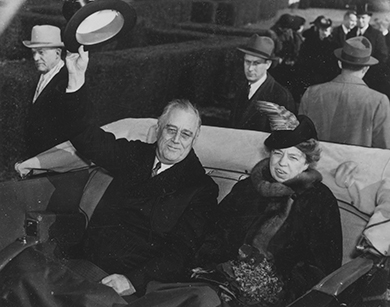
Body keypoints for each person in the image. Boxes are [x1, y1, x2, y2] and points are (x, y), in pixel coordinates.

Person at [2, 52, 219, 306]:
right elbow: (87, 138)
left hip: (129, 286)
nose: (176, 140)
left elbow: (179, 255)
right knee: (20, 266)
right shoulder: (135, 154)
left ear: (194, 139)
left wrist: (131, 280)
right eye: (171, 130)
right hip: (84, 265)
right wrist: (76, 79)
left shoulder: (201, 189)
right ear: (159, 128)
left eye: (185, 134)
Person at [124, 102, 342, 307]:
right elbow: (212, 232)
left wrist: (276, 289)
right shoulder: (247, 188)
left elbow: (322, 267)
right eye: (278, 154)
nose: (282, 163)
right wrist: (218, 266)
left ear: (307, 162)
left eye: (293, 158)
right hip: (219, 281)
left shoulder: (319, 200)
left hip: (278, 297)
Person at [300, 36, 390, 149]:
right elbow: (383, 149)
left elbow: (301, 137)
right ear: (366, 68)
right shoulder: (379, 101)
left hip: (317, 164)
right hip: (356, 165)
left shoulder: (311, 92)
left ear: (340, 63)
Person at [22, 25, 89, 159]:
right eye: (33, 52)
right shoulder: (43, 74)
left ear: (57, 53)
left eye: (41, 52)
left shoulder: (68, 80)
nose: (35, 58)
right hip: (38, 156)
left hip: (56, 159)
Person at [229, 34, 296, 132]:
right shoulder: (241, 89)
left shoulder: (281, 96)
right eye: (247, 62)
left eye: (256, 63)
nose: (250, 69)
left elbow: (284, 140)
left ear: (268, 64)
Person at [346, 4, 390, 98]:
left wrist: (368, 70)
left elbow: (383, 57)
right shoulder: (351, 33)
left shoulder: (377, 35)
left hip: (371, 77)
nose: (360, 20)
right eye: (358, 17)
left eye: (363, 18)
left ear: (369, 18)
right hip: (352, 76)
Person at [294, 16, 340, 103]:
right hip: (311, 79)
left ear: (330, 30)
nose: (324, 33)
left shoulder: (335, 45)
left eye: (326, 30)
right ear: (318, 30)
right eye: (322, 30)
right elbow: (302, 62)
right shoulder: (309, 43)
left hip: (326, 80)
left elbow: (335, 67)